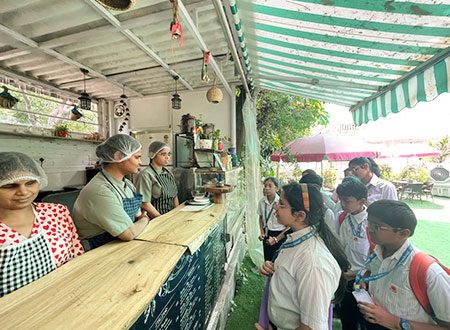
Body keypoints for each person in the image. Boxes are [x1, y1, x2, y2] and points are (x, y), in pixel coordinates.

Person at [258, 182, 350, 330]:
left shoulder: (314, 263)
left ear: (300, 215)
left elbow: (311, 327)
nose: (276, 208)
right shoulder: (298, 240)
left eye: (281, 205)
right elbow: (292, 271)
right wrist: (275, 269)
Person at [356, 200, 450, 329]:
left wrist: (395, 322)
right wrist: (364, 278)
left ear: (404, 233)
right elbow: (369, 270)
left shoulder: (428, 272)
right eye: (369, 222)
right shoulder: (376, 251)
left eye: (377, 226)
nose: (369, 229)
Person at [0, 152, 83, 297]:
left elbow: (76, 256)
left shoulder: (57, 213)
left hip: (67, 296)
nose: (23, 191)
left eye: (30, 182)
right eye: (10, 185)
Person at [73, 134, 150, 251]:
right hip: (98, 252)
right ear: (119, 156)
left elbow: (137, 216)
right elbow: (128, 233)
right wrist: (145, 219)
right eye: (137, 157)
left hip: (122, 245)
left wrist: (141, 219)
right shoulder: (99, 191)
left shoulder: (127, 184)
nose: (140, 162)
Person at [335, 176, 370, 330]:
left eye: (347, 201)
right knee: (346, 317)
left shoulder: (371, 224)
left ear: (362, 201)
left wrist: (359, 274)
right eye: (341, 200)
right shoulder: (342, 217)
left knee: (365, 320)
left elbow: (378, 258)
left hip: (365, 282)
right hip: (344, 278)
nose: (342, 204)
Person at [135, 141, 179, 217]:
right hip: (154, 219)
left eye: (169, 154)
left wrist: (176, 214)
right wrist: (161, 219)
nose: (167, 157)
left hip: (170, 217)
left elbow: (175, 197)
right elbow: (145, 203)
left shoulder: (168, 173)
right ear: (153, 155)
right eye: (163, 154)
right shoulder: (146, 175)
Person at [257, 177, 288, 261]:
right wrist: (262, 232)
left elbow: (288, 226)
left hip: (280, 234)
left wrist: (276, 239)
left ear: (277, 188)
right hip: (267, 232)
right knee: (267, 258)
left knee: (278, 259)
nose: (266, 188)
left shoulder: (281, 203)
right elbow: (261, 218)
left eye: (270, 186)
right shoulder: (261, 202)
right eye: (265, 186)